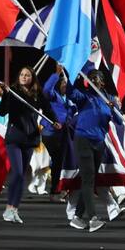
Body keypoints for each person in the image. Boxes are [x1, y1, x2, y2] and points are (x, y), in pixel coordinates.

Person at [64, 70, 121, 233]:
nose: (93, 80)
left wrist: (114, 108)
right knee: (88, 179)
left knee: (90, 180)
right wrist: (70, 74)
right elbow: (70, 92)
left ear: (102, 82)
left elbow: (119, 121)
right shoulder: (85, 96)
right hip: (83, 139)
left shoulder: (109, 99)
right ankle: (93, 218)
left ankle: (77, 217)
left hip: (99, 143)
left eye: (96, 78)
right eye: (90, 78)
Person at [0, 66, 55, 224]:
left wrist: (54, 121)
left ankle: (14, 209)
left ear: (32, 78)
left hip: (30, 138)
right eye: (22, 74)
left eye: (27, 75)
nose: (24, 77)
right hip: (14, 137)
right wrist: (6, 95)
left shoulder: (37, 94)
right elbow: (2, 111)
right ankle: (8, 208)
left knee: (23, 175)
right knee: (17, 173)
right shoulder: (13, 92)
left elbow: (47, 109)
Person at [42, 66, 74, 202]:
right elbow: (46, 90)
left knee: (62, 161)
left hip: (65, 134)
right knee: (58, 161)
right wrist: (56, 74)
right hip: (51, 133)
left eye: (67, 83)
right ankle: (55, 191)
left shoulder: (71, 100)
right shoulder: (54, 96)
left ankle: (61, 189)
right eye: (63, 83)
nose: (65, 85)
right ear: (59, 85)